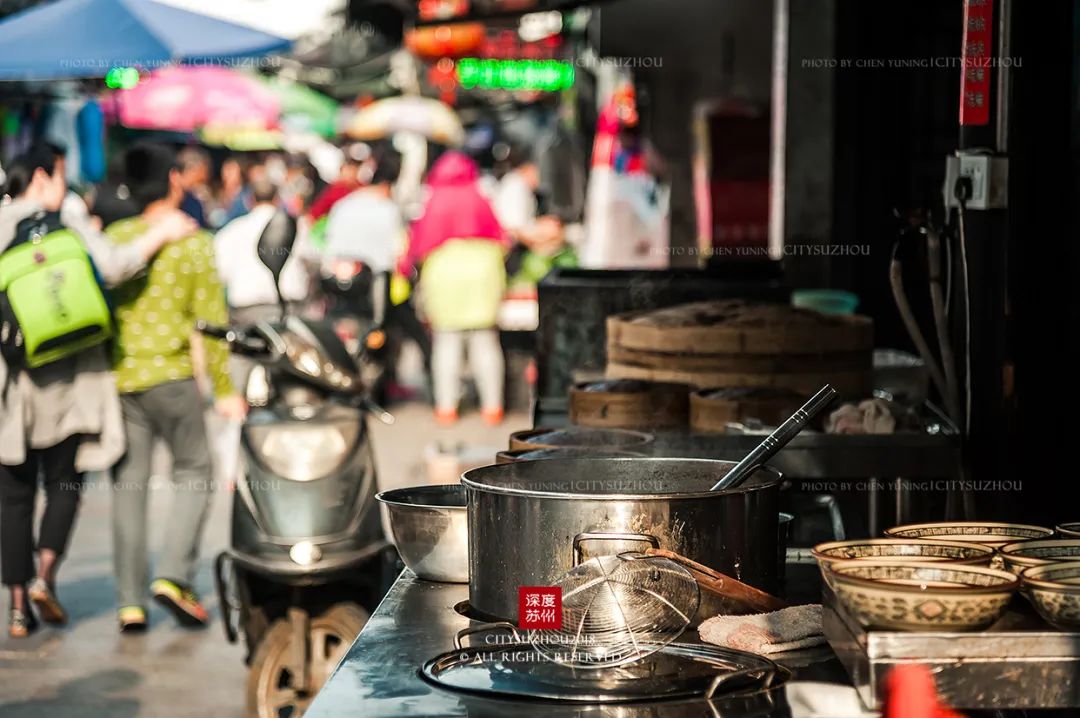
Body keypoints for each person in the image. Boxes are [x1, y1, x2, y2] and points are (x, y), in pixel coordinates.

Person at [0, 143, 194, 638]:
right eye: (61, 175)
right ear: (43, 177)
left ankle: (19, 606)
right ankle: (45, 575)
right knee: (64, 482)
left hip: (12, 388)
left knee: (14, 496)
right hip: (72, 383)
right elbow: (114, 265)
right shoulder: (65, 218)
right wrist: (161, 233)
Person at [106, 143, 246, 632]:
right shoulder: (192, 242)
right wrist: (226, 388)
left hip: (122, 380)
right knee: (195, 468)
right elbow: (211, 323)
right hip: (173, 379)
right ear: (172, 180)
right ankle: (173, 577)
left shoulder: (115, 238)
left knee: (128, 487)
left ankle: (129, 602)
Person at [398, 151, 508, 426]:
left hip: (444, 277)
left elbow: (418, 245)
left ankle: (446, 408)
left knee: (446, 343)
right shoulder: (480, 197)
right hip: (484, 276)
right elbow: (502, 237)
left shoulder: (433, 201)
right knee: (486, 342)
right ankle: (492, 408)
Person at [324, 146, 432, 394]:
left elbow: (330, 247)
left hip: (341, 288)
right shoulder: (388, 210)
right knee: (415, 334)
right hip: (376, 288)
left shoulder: (343, 206)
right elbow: (398, 253)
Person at [213, 176, 309, 389]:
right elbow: (311, 260)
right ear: (277, 199)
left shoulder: (232, 231)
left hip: (246, 311)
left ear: (249, 200)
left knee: (241, 360)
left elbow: (220, 273)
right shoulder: (296, 226)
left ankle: (237, 407)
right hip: (287, 308)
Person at [177, 146, 212, 229]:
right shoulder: (167, 197)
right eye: (204, 171)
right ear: (194, 169)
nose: (206, 177)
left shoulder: (194, 201)